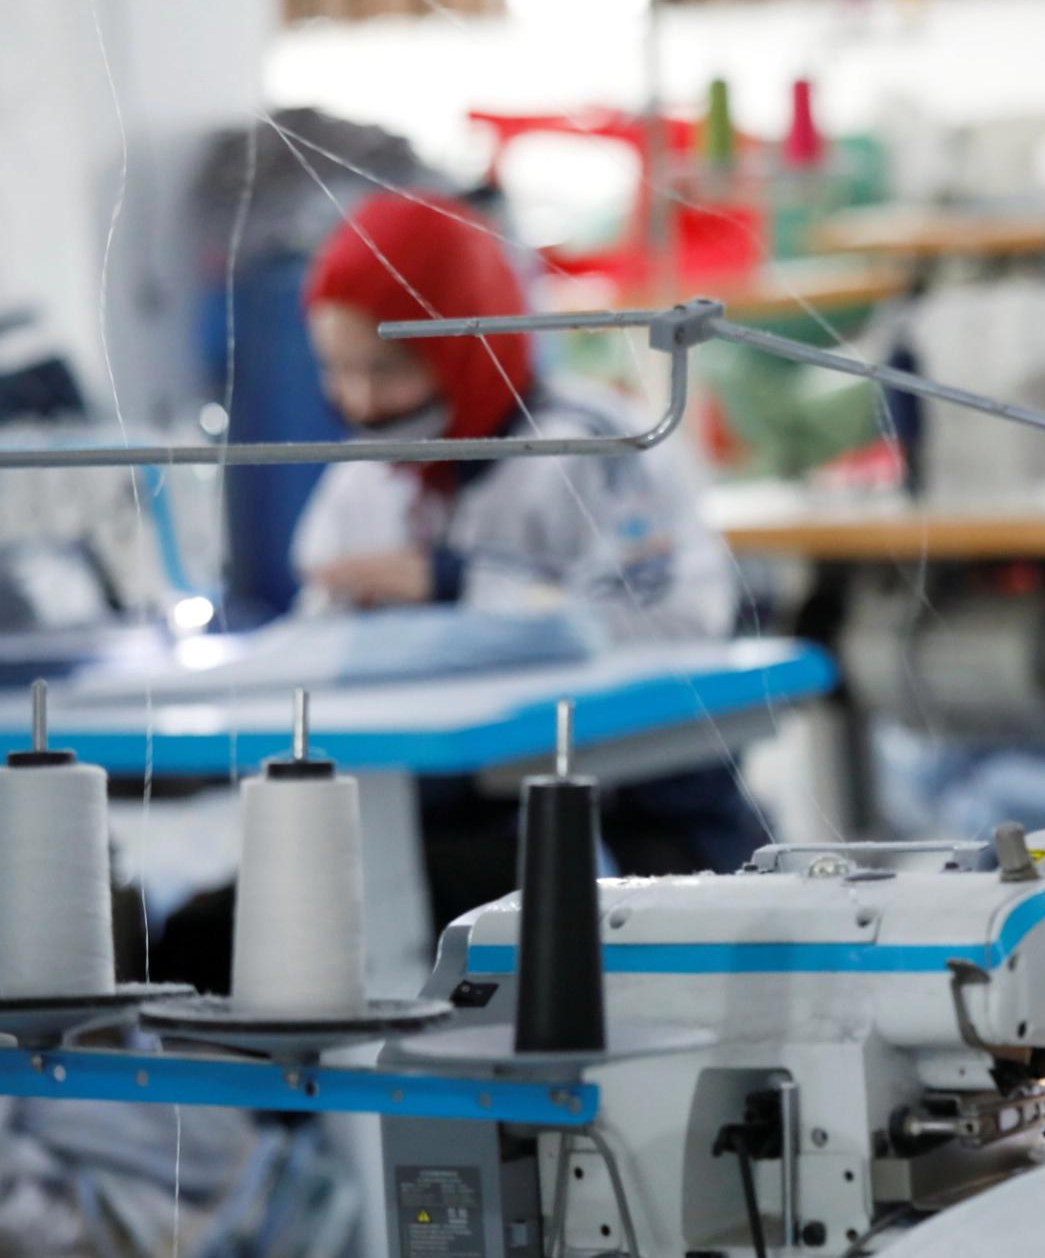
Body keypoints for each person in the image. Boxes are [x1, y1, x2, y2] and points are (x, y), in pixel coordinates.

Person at [294, 190, 762, 891]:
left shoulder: (601, 447)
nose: (358, 404)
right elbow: (321, 621)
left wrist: (457, 585)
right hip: (454, 821)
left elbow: (679, 623)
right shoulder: (369, 476)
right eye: (336, 371)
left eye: (385, 370)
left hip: (640, 829)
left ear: (462, 346)